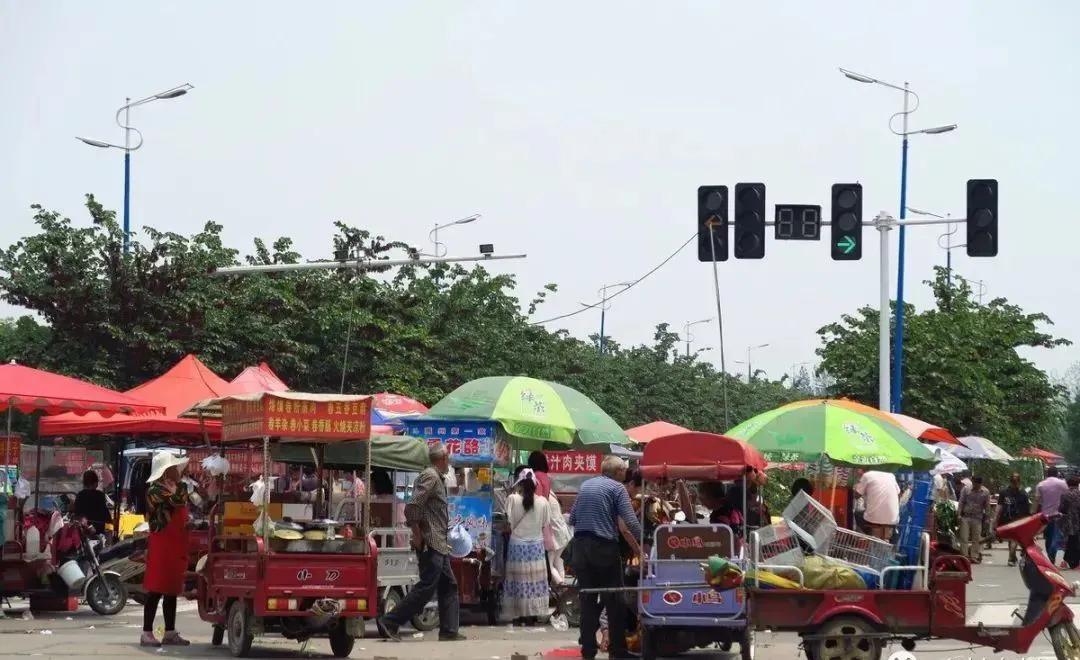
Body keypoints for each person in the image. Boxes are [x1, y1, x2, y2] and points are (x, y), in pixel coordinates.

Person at [378, 444, 465, 642]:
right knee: (426, 587)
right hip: (431, 541)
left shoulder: (436, 477)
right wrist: (417, 533)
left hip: (439, 542)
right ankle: (390, 621)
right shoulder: (431, 476)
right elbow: (412, 507)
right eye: (447, 458)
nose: (449, 462)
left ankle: (449, 630)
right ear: (442, 458)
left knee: (449, 585)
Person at [569, 456, 641, 660]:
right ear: (618, 472)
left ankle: (588, 651)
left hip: (580, 548)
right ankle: (617, 652)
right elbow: (630, 521)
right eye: (624, 471)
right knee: (614, 600)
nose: (626, 474)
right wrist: (645, 538)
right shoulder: (617, 489)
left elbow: (573, 518)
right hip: (604, 549)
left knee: (587, 599)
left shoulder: (585, 486)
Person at [141, 451, 194, 647]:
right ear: (165, 471)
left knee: (171, 589)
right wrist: (181, 484)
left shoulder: (173, 487)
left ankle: (169, 632)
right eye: (174, 468)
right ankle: (147, 632)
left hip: (175, 543)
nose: (177, 471)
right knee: (156, 589)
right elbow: (177, 501)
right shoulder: (155, 490)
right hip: (162, 545)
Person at [502, 468, 551, 625]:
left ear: (520, 484)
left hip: (517, 546)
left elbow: (507, 523)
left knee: (518, 581)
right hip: (536, 547)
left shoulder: (512, 499)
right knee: (535, 582)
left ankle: (518, 614)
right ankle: (532, 614)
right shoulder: (543, 502)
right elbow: (545, 524)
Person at [996, 473, 1031, 566]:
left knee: (1012, 539)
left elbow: (999, 508)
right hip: (1019, 519)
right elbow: (1027, 509)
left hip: (1007, 518)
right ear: (1019, 481)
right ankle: (1011, 557)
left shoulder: (1004, 492)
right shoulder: (1023, 493)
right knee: (1014, 539)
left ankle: (1012, 557)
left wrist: (995, 519)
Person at [854, 470, 900, 541]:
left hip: (874, 520)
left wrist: (857, 484)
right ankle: (881, 536)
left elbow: (856, 495)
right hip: (892, 520)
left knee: (857, 513)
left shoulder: (867, 475)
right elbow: (898, 494)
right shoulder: (891, 475)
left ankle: (868, 537)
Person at [1037, 466, 1069, 564]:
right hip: (1058, 515)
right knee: (1056, 536)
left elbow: (1038, 500)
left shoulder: (1041, 485)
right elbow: (1067, 496)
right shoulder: (1062, 484)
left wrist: (1034, 514)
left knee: (1048, 537)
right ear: (1056, 474)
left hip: (1045, 516)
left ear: (1047, 474)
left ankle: (1051, 556)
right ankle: (1052, 555)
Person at [958, 476, 991, 562]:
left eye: (977, 484)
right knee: (964, 537)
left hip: (977, 518)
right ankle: (964, 557)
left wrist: (987, 519)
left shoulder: (985, 492)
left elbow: (987, 507)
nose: (975, 486)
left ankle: (974, 556)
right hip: (966, 516)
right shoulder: (966, 489)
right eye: (974, 483)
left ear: (980, 484)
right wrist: (958, 514)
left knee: (976, 538)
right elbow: (961, 502)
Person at [73, 469, 109, 536]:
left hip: (83, 529)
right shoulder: (100, 495)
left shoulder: (80, 495)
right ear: (95, 483)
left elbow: (76, 512)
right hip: (98, 529)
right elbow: (105, 514)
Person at [1059, 477, 1080, 569]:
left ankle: (1068, 560)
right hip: (1078, 520)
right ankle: (1073, 561)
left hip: (1068, 520)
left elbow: (1062, 508)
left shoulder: (1065, 494)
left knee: (1070, 540)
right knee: (1075, 540)